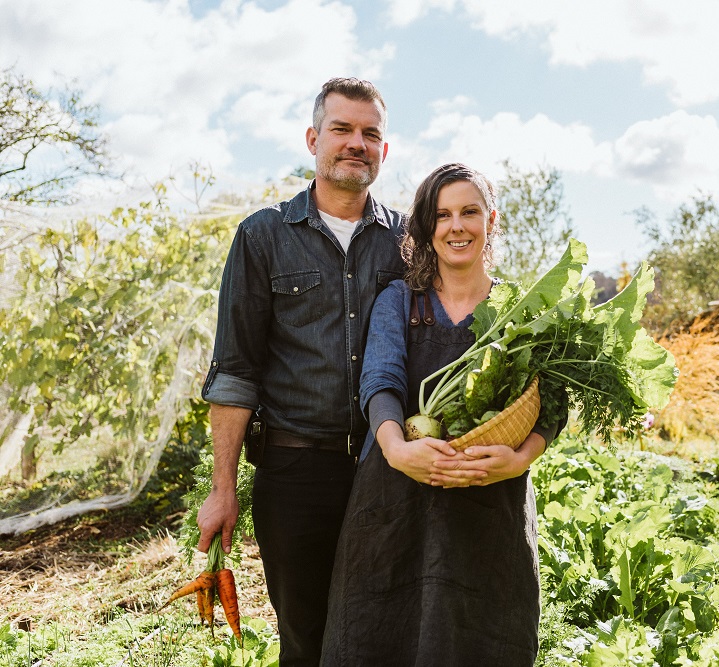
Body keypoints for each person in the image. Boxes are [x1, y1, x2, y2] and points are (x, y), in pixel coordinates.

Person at [196, 77, 406, 667]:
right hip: (294, 471)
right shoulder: (263, 237)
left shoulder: (407, 242)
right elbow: (235, 370)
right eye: (342, 129)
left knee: (383, 632)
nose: (356, 144)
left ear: (384, 152)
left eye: (371, 134)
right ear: (314, 139)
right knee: (306, 641)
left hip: (385, 467)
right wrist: (222, 490)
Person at [320, 163, 562, 666]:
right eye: (442, 214)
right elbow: (380, 380)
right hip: (395, 499)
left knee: (483, 640)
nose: (456, 226)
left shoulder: (520, 311)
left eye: (469, 212)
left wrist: (519, 460)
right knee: (379, 638)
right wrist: (396, 448)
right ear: (427, 228)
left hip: (489, 499)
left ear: (490, 221)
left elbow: (553, 402)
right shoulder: (399, 301)